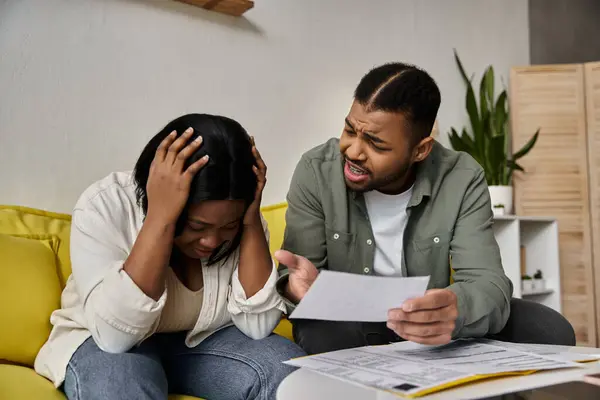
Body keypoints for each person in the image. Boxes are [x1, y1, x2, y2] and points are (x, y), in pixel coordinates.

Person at [275, 62, 575, 355]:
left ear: (420, 149)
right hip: (350, 321)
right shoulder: (316, 170)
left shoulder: (460, 177)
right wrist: (294, 287)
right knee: (320, 330)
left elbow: (488, 283)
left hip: (430, 320)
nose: (353, 151)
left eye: (376, 145)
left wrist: (454, 310)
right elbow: (295, 276)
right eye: (350, 130)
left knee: (549, 329)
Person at [34, 113, 306, 400]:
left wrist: (249, 221)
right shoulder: (104, 205)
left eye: (227, 226)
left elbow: (258, 325)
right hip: (104, 342)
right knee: (121, 386)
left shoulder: (242, 218)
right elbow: (115, 338)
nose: (212, 241)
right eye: (196, 226)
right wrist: (160, 218)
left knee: (291, 374)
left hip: (201, 346)